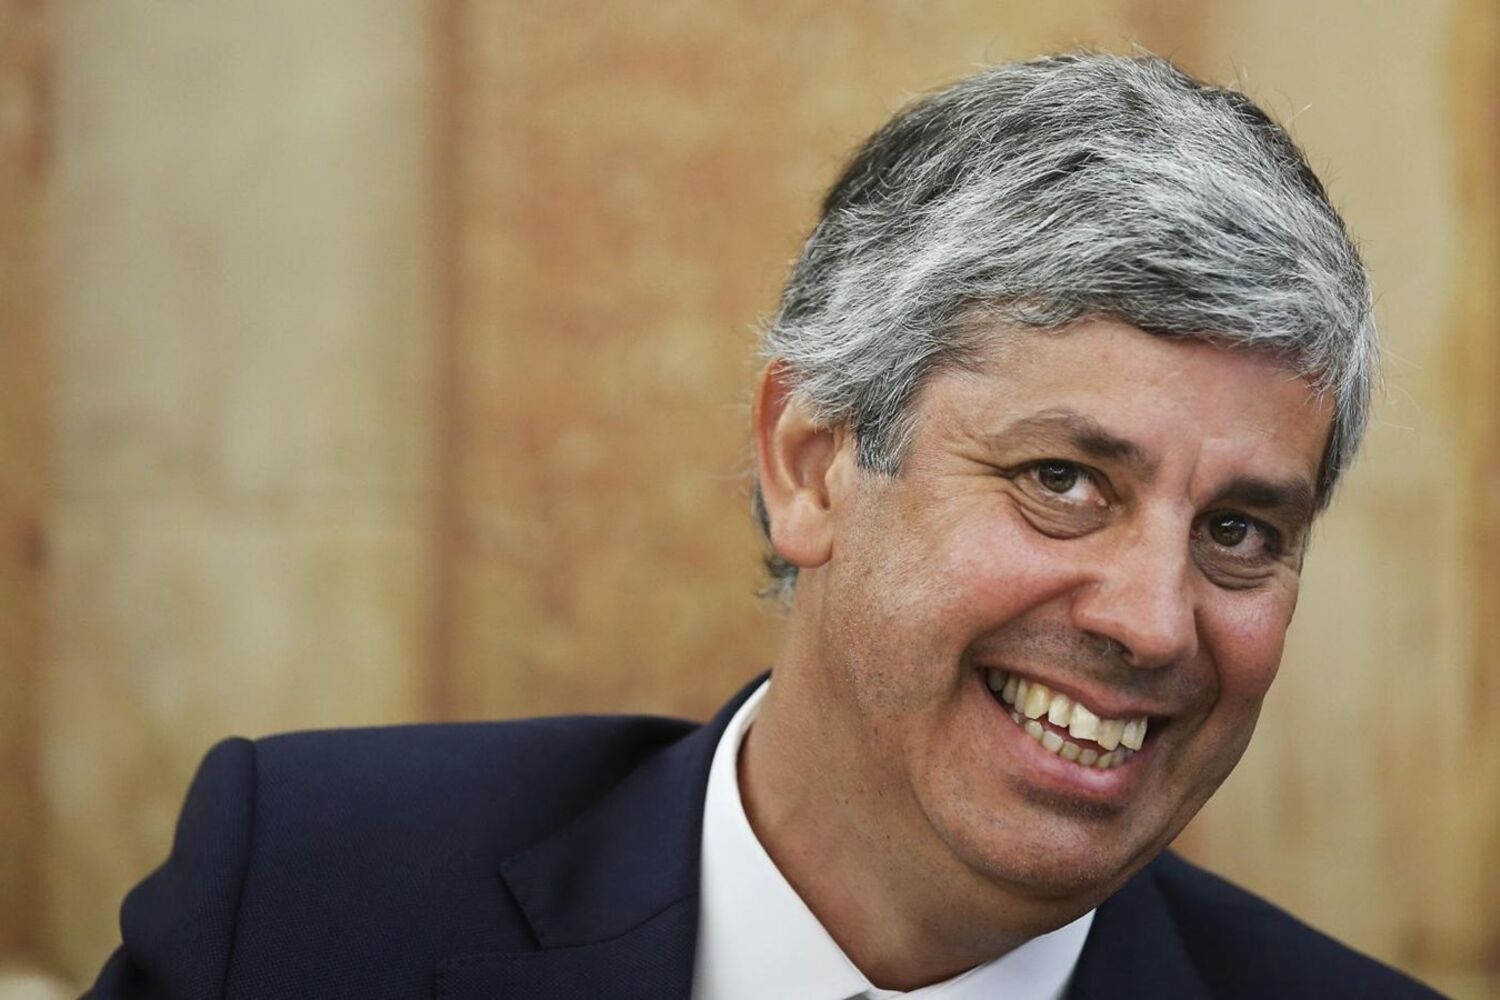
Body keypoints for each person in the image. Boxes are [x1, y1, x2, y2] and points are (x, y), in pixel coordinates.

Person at [90, 53, 1442, 999]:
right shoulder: (298, 891)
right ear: (811, 465)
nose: (1152, 621)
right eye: (1064, 481)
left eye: (1241, 532)